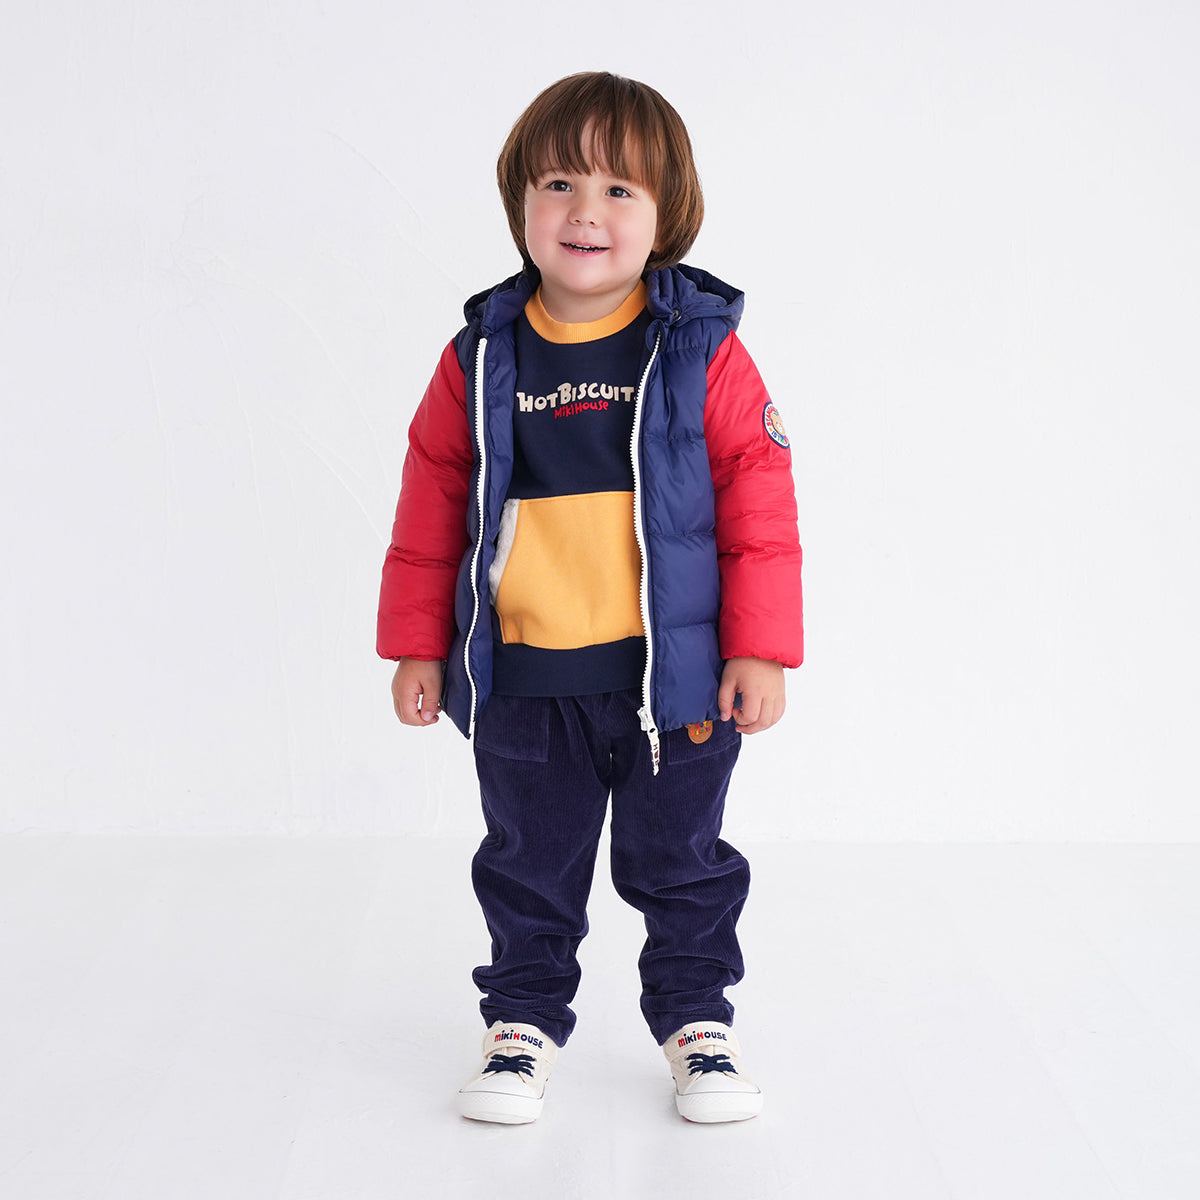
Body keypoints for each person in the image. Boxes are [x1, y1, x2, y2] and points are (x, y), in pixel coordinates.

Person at [377, 71, 803, 1125]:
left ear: (667, 215)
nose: (585, 212)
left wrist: (759, 648)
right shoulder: (482, 355)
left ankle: (697, 1021)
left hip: (675, 685)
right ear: (521, 200)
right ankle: (521, 1022)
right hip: (527, 680)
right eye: (559, 183)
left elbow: (759, 504)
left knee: (683, 863)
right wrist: (418, 644)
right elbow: (431, 503)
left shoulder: (701, 350)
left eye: (620, 190)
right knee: (528, 865)